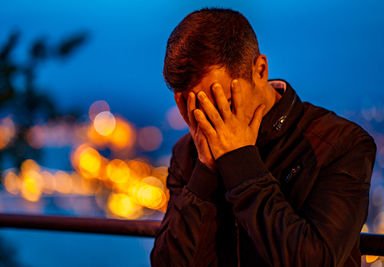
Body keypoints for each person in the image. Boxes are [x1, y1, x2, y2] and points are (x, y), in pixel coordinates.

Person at [151, 8, 376, 267]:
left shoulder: (340, 144)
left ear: (260, 70)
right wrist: (204, 174)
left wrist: (240, 162)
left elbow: (314, 260)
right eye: (191, 107)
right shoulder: (188, 152)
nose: (207, 118)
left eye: (218, 101)